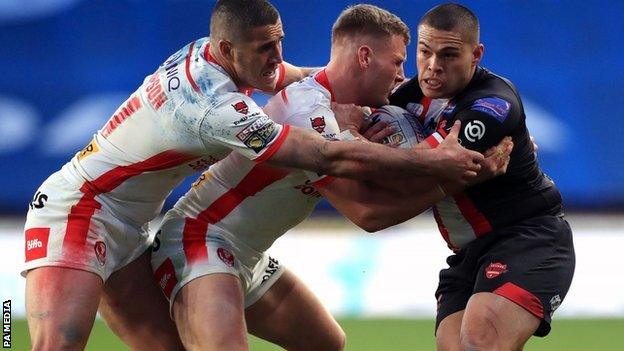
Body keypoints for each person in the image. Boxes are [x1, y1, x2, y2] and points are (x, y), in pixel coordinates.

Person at [22, 0, 485, 349]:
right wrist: (444, 167)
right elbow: (334, 166)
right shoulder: (219, 108)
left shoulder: (220, 57)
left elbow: (296, 77)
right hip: (85, 210)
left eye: (278, 43)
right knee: (54, 346)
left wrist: (338, 90)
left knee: (325, 344)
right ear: (228, 50)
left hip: (145, 225)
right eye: (267, 48)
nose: (277, 57)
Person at [150, 4, 511, 351]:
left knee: (324, 342)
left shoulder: (350, 112)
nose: (403, 75)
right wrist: (456, 178)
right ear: (365, 57)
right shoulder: (309, 113)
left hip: (246, 253)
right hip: (201, 238)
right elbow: (368, 213)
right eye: (398, 62)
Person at [387, 3, 575, 350]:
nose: (433, 66)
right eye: (424, 52)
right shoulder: (409, 95)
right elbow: (342, 82)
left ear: (476, 54)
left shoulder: (492, 104)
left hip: (530, 238)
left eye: (448, 55)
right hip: (470, 251)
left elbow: (423, 163)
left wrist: (344, 153)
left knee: (480, 341)